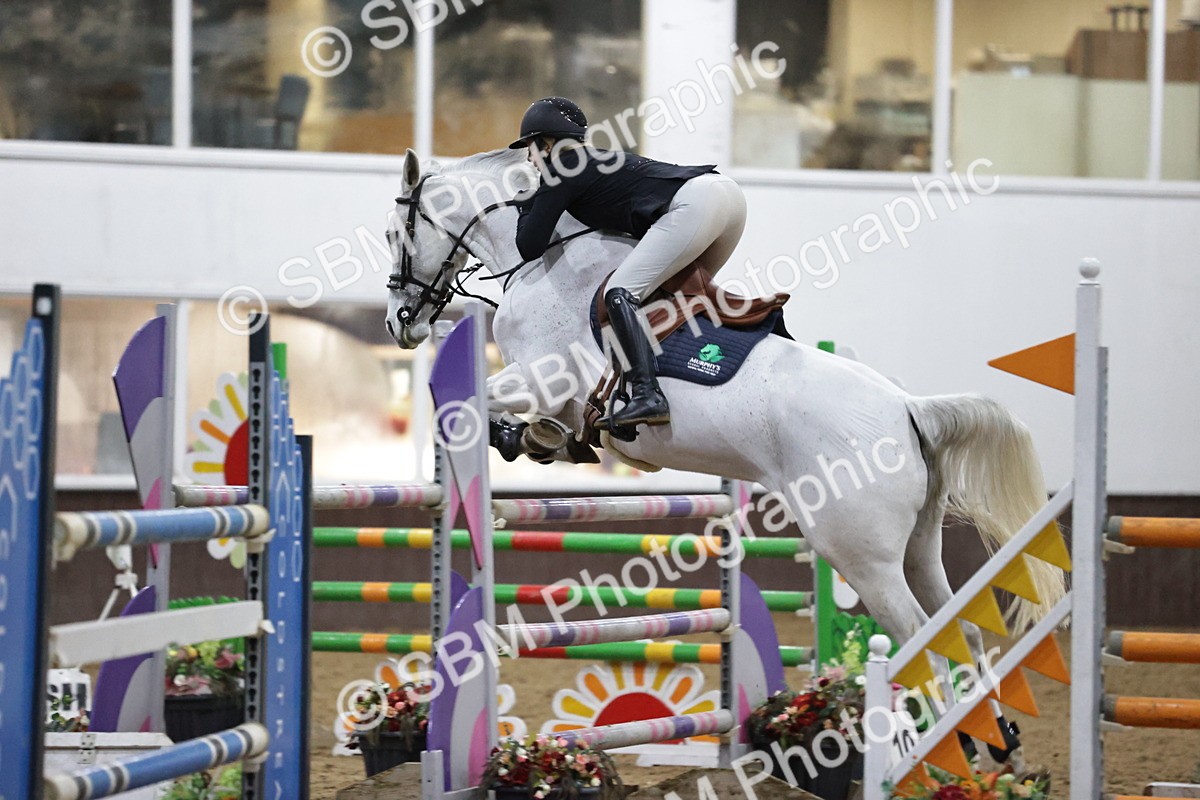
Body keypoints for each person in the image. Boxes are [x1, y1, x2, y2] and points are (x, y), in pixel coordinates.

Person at [509, 97, 747, 431]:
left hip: (695, 204)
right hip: (728, 198)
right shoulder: (591, 160)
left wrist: (523, 208)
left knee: (619, 292)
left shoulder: (561, 168)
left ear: (546, 144)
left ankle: (648, 394)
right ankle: (702, 371)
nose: (530, 160)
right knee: (675, 296)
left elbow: (529, 246)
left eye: (530, 150)